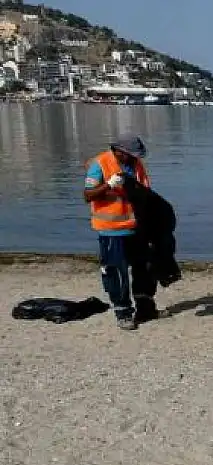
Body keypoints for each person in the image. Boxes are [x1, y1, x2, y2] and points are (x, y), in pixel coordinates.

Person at [83, 134, 159, 330]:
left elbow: (146, 193)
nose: (134, 158)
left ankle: (145, 307)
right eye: (131, 155)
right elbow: (88, 195)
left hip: (136, 228)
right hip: (111, 231)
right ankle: (123, 312)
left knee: (144, 268)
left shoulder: (137, 165)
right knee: (117, 272)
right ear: (119, 151)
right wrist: (109, 185)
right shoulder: (100, 164)